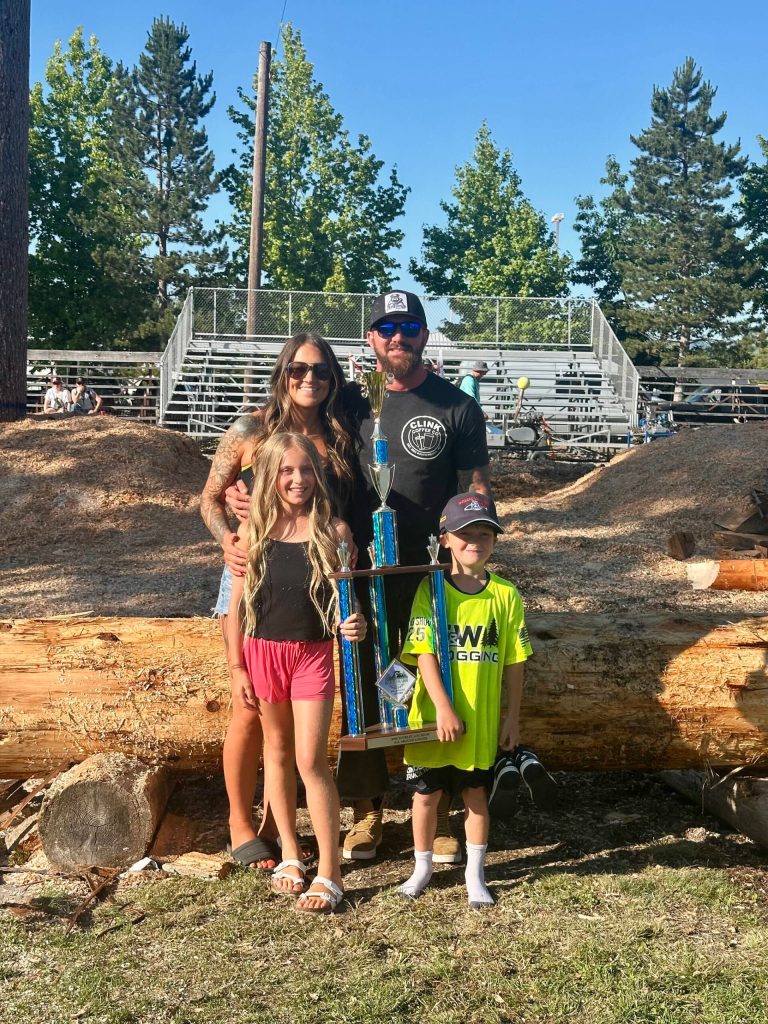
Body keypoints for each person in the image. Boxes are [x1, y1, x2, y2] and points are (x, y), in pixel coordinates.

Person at [338, 289, 492, 864]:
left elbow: (476, 485)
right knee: (363, 678)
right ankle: (367, 810)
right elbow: (285, 433)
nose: (397, 337)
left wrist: (472, 551)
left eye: (407, 327)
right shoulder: (349, 402)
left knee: (436, 677)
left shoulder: (457, 405)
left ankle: (440, 806)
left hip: (431, 570)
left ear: (424, 335)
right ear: (371, 339)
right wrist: (242, 481)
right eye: (385, 328)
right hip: (361, 570)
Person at [200, 333, 359, 871]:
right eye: (298, 369)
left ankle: (278, 824)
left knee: (293, 731)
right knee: (248, 709)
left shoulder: (339, 436)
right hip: (251, 567)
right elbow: (210, 497)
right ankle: (240, 823)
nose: (309, 379)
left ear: (333, 379)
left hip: (311, 571)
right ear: (282, 372)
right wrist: (227, 537)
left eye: (321, 371)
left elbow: (339, 505)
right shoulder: (250, 428)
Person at [226, 432, 366, 913]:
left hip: (312, 655)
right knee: (278, 753)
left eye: (305, 469)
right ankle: (290, 852)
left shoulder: (334, 532)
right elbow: (235, 608)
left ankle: (330, 871)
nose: (297, 479)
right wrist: (237, 668)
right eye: (286, 470)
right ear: (270, 476)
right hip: (262, 654)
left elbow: (348, 603)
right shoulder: (253, 533)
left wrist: (354, 621)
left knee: (310, 760)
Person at [398, 492, 533, 908]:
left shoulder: (506, 595)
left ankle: (475, 875)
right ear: (444, 540)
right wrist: (442, 707)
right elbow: (423, 652)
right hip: (432, 718)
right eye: (464, 534)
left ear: (495, 540)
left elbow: (515, 660)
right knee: (425, 796)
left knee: (476, 795)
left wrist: (512, 717)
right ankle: (422, 869)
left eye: (484, 534)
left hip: (480, 721)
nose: (475, 541)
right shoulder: (431, 588)